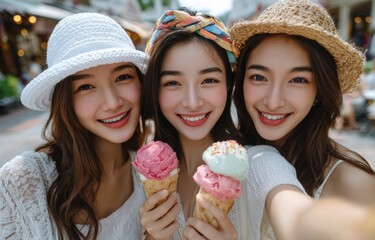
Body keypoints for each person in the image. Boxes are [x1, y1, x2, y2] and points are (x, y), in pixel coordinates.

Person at [139, 8, 306, 240]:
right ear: (155, 90)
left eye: (209, 80)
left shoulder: (259, 164)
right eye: (172, 83)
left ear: (228, 86)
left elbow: (303, 220)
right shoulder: (145, 176)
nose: (192, 101)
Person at [231, 0, 375, 238]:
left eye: (298, 80)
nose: (273, 101)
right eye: (259, 77)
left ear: (320, 89)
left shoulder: (352, 182)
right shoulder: (227, 156)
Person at [0, 13, 148, 239]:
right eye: (86, 86)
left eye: (122, 77)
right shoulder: (24, 182)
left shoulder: (147, 177)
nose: (112, 103)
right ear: (65, 100)